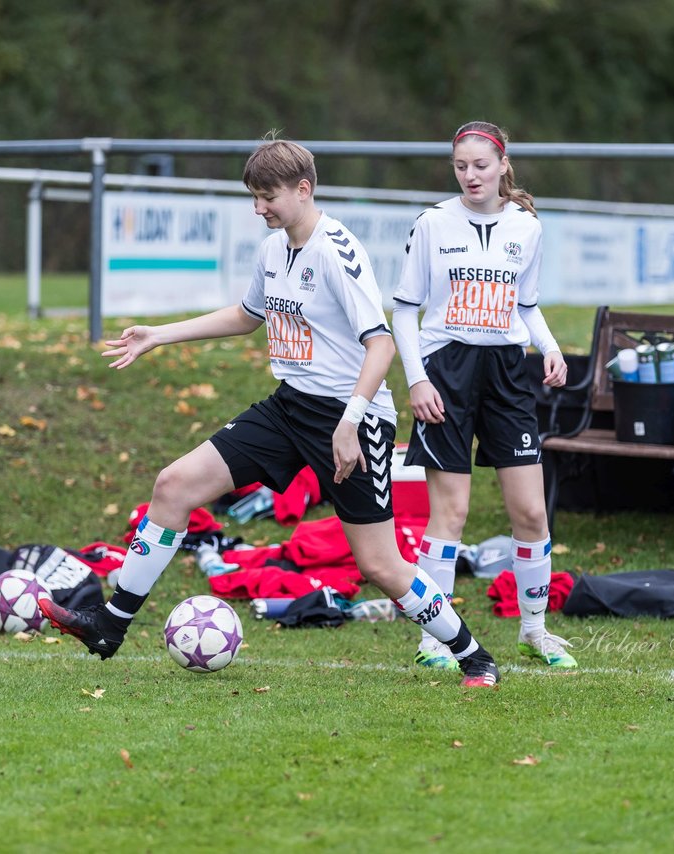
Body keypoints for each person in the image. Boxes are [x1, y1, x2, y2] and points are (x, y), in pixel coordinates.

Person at [42, 136, 502, 688]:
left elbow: (380, 344)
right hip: (287, 408)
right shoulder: (274, 248)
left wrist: (351, 423)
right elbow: (246, 314)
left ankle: (473, 655)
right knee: (174, 485)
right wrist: (157, 335)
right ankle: (108, 624)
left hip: (349, 418)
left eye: (267, 197)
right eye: (254, 198)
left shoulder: (335, 250)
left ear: (302, 190)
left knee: (380, 565)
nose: (258, 208)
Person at [391, 120, 577, 671]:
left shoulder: (527, 226)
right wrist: (416, 378)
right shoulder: (431, 223)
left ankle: (535, 632)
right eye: (460, 166)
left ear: (502, 166)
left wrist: (551, 347)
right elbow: (404, 310)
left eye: (479, 165)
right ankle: (436, 640)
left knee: (530, 511)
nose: (470, 175)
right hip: (446, 368)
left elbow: (526, 303)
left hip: (506, 371)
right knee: (451, 512)